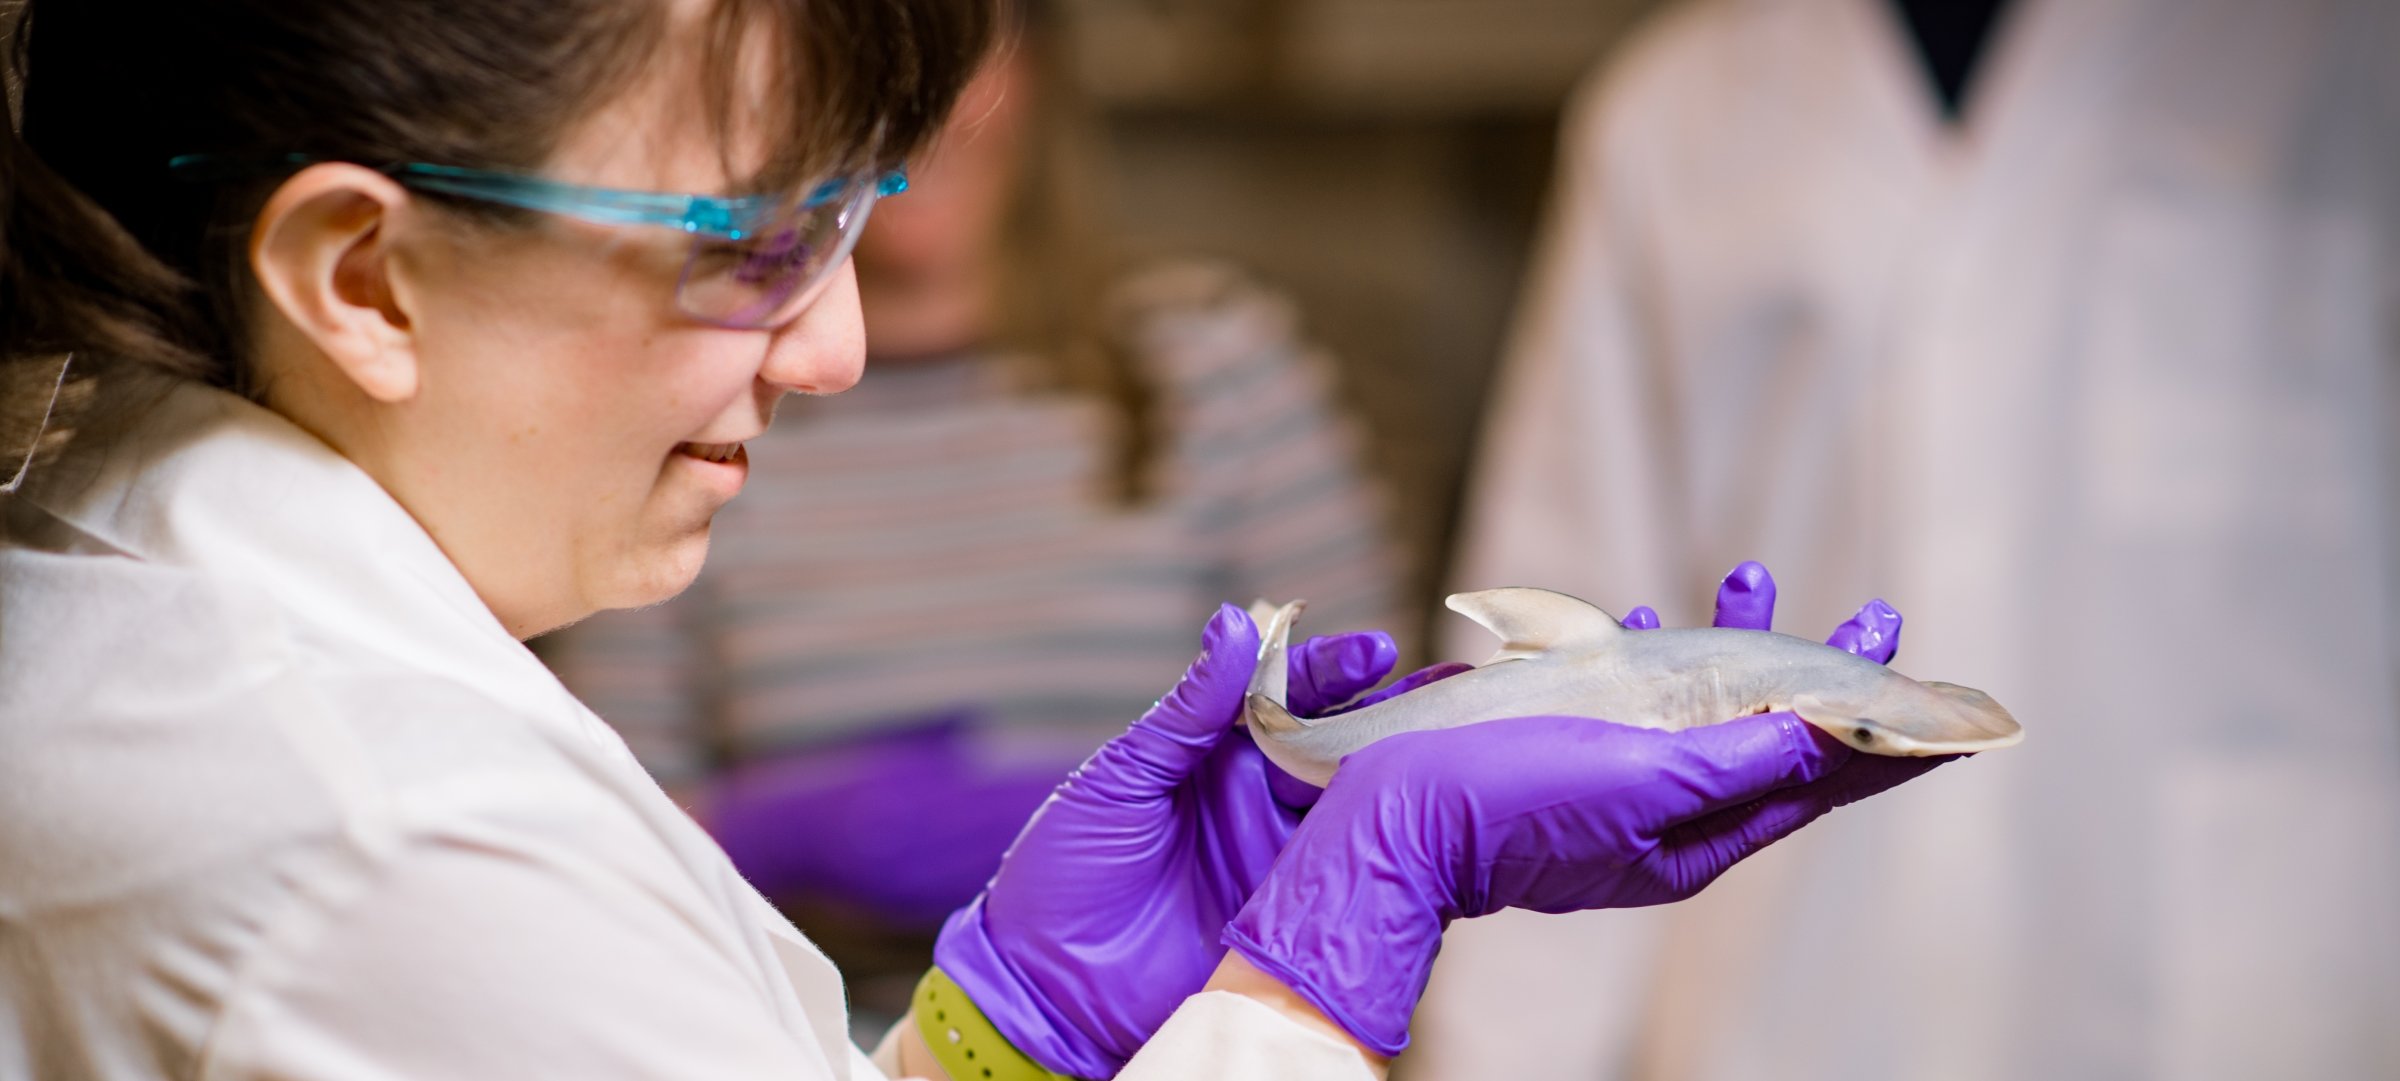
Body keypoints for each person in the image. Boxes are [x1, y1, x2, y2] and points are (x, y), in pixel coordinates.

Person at [0, 1, 1944, 1079]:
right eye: (753, 245)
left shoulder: (165, 590)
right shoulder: (389, 841)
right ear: (363, 272)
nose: (833, 347)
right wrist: (1301, 993)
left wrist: (1003, 1024)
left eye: (852, 228)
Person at [1422, 0, 2400, 1078]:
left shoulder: (2344, 46)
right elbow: (1569, 657)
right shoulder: (1673, 114)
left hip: (2255, 1003)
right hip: (1786, 1010)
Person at [538, 0, 1407, 936]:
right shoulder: (698, 399)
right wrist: (770, 836)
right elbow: (600, 827)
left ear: (1039, 70)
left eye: (962, 52)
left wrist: (1174, 843)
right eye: (865, 69)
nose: (924, 112)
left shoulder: (1206, 363)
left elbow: (1373, 764)